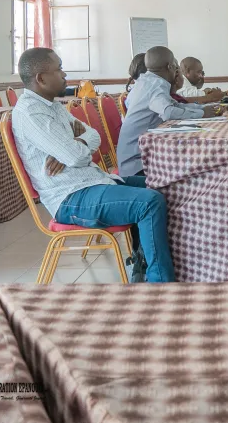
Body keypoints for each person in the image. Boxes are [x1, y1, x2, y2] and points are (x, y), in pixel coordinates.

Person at [10, 48, 174, 282]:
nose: (65, 74)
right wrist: (72, 147)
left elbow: (94, 135)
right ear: (41, 78)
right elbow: (75, 156)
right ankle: (160, 283)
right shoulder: (31, 113)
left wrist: (76, 142)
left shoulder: (52, 106)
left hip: (92, 181)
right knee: (149, 202)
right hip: (70, 197)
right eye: (59, 69)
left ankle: (145, 263)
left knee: (163, 185)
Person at [116, 46, 221, 177]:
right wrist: (203, 113)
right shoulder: (156, 85)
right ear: (170, 67)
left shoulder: (146, 81)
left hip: (137, 156)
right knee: (196, 168)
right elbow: (168, 112)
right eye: (176, 67)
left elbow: (175, 105)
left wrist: (202, 109)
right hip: (137, 164)